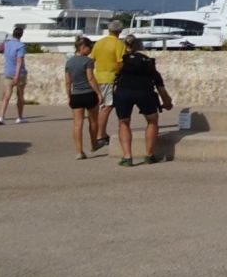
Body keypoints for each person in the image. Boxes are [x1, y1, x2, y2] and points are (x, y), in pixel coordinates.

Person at [113, 35, 172, 167]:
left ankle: (127, 157)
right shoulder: (147, 62)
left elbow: (116, 79)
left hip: (124, 92)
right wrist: (167, 101)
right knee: (152, 120)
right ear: (140, 46)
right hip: (144, 92)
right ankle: (149, 155)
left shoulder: (122, 62)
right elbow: (159, 84)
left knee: (124, 123)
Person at [89, 19, 127, 149]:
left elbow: (91, 59)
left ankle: (101, 133)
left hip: (98, 76)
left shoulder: (99, 43)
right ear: (120, 31)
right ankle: (100, 135)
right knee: (107, 106)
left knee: (102, 106)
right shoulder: (118, 44)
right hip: (110, 77)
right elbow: (120, 63)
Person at [65, 36, 102, 159]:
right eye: (89, 47)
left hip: (76, 95)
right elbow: (90, 78)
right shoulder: (88, 61)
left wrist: (69, 96)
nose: (90, 50)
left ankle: (79, 151)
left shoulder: (69, 62)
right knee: (93, 121)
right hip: (89, 94)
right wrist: (98, 93)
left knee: (77, 124)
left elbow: (67, 82)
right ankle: (93, 144)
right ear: (82, 47)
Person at [0, 25, 29, 124]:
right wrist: (17, 75)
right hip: (18, 74)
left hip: (7, 72)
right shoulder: (21, 46)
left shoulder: (6, 44)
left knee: (6, 95)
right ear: (21, 35)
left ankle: (1, 117)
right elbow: (19, 61)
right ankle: (19, 117)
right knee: (20, 95)